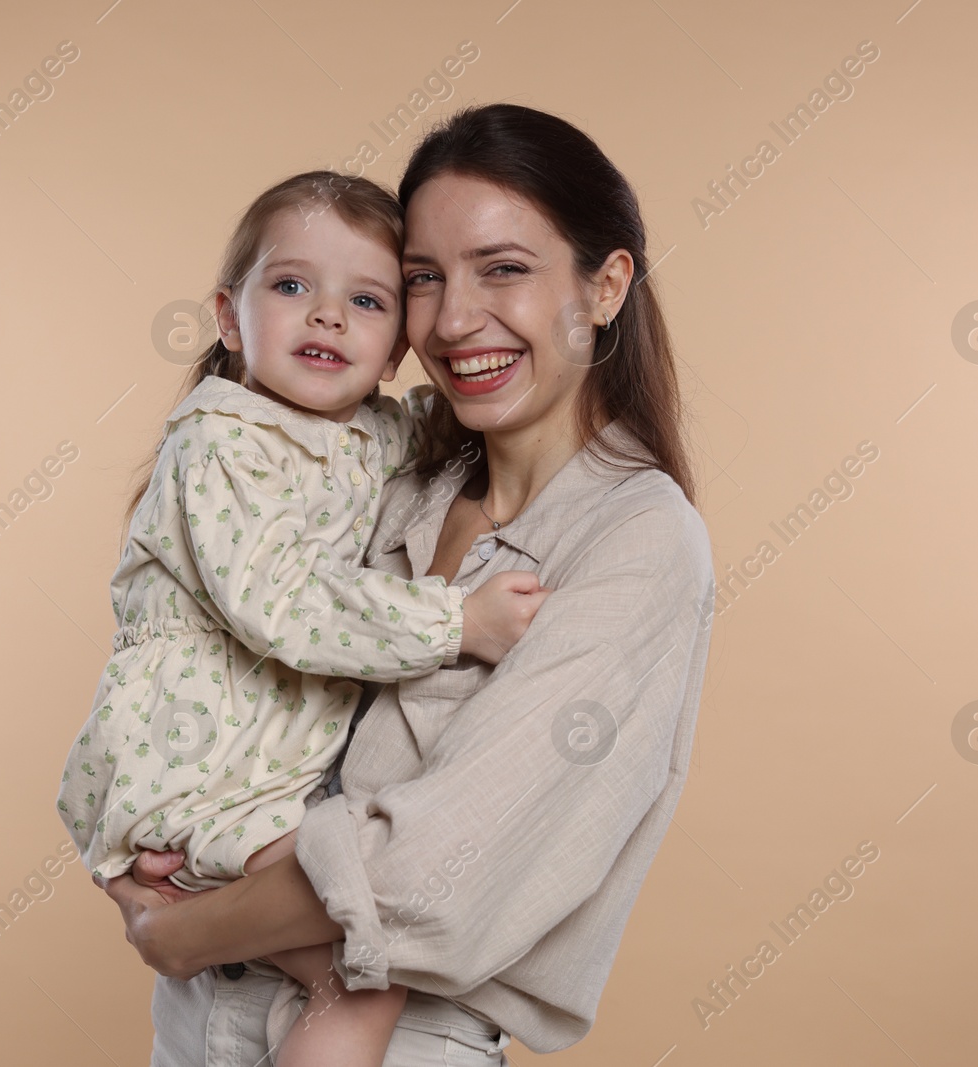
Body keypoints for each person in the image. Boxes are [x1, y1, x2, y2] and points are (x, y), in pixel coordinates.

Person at [100, 102, 717, 1066]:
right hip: (201, 1019)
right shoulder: (396, 474)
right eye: (424, 279)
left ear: (605, 286)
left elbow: (436, 876)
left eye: (504, 269)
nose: (457, 318)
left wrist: (179, 929)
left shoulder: (637, 542)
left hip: (397, 1034)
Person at [55, 169, 547, 1067]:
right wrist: (456, 623)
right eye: (291, 286)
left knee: (345, 965)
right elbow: (283, 605)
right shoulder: (219, 441)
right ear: (230, 317)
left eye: (366, 300)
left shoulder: (369, 431)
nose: (327, 316)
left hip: (255, 771)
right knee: (364, 970)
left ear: (397, 345)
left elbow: (465, 419)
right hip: (195, 766)